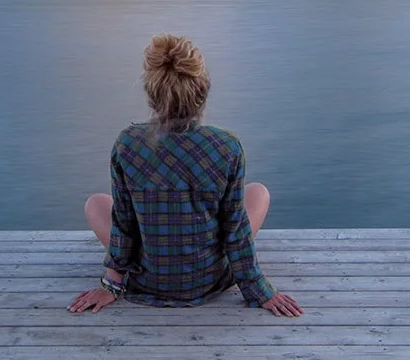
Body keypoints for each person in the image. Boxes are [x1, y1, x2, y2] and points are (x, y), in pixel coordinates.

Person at [68, 34, 302, 317]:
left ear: (152, 94)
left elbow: (124, 225)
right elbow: (235, 229)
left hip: (147, 279)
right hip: (208, 280)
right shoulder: (225, 146)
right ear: (202, 90)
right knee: (258, 193)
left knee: (96, 203)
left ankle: (141, 270)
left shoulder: (127, 144)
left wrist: (111, 286)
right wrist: (259, 290)